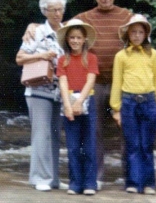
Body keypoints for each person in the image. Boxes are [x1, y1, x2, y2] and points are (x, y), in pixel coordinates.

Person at [22, 0, 132, 190]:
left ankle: (131, 178)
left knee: (125, 129)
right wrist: (32, 25)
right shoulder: (83, 18)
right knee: (93, 133)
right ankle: (94, 178)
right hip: (90, 86)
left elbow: (142, 31)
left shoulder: (127, 16)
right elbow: (62, 29)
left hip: (121, 82)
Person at [16, 0, 69, 191]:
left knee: (55, 134)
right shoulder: (36, 32)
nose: (57, 13)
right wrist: (42, 55)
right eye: (53, 10)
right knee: (41, 134)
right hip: (38, 88)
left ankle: (53, 178)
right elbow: (20, 58)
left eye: (60, 9)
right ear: (45, 11)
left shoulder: (66, 31)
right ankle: (40, 178)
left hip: (60, 90)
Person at [110, 14, 156, 194]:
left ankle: (149, 183)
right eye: (133, 32)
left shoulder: (153, 54)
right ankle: (133, 182)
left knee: (147, 145)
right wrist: (116, 108)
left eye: (140, 32)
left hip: (149, 101)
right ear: (127, 34)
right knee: (132, 144)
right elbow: (117, 81)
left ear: (145, 34)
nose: (136, 35)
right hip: (128, 102)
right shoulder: (121, 56)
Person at [56, 19, 99, 195]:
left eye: (78, 38)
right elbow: (63, 82)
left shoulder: (91, 58)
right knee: (73, 147)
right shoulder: (62, 60)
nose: (75, 41)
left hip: (87, 98)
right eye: (71, 38)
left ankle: (90, 183)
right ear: (67, 40)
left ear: (84, 40)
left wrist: (80, 101)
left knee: (89, 145)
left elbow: (91, 80)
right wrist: (68, 105)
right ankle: (75, 183)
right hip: (68, 99)